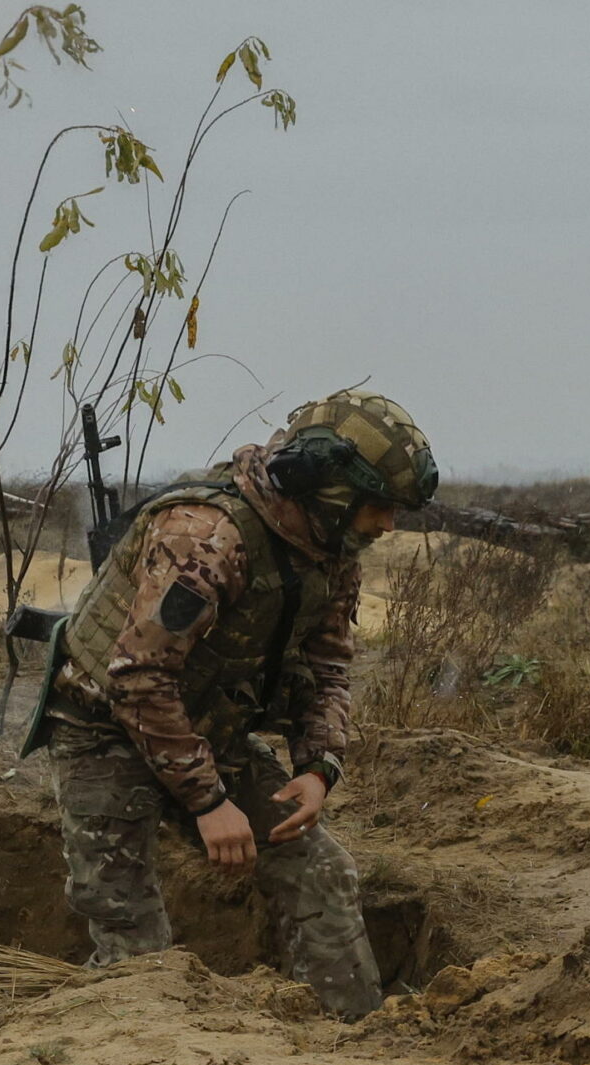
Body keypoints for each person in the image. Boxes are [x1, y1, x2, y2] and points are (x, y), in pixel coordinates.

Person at [40, 392, 438, 1020]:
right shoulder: (205, 538)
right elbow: (138, 677)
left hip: (206, 727)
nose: (387, 525)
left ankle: (356, 1044)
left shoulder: (330, 546)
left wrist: (318, 766)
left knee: (322, 872)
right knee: (133, 944)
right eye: (379, 507)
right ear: (328, 487)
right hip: (104, 730)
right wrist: (208, 802)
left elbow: (327, 663)